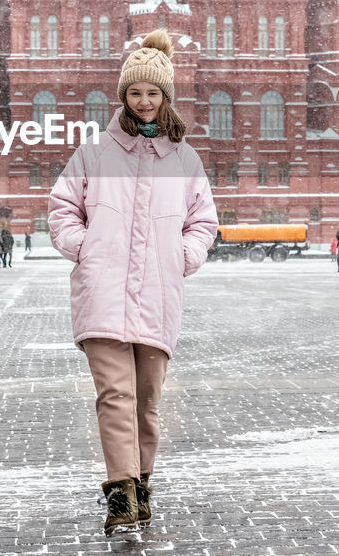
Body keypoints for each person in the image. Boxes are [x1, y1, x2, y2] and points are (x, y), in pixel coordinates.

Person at [48, 29, 217, 536]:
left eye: (153, 93)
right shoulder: (96, 153)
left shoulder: (183, 159)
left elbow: (204, 221)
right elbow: (61, 209)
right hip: (101, 291)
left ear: (165, 97)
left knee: (147, 400)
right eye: (135, 92)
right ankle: (120, 497)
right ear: (123, 96)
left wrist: (181, 256)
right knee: (114, 396)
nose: (144, 102)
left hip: (158, 293)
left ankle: (142, 485)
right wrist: (87, 249)